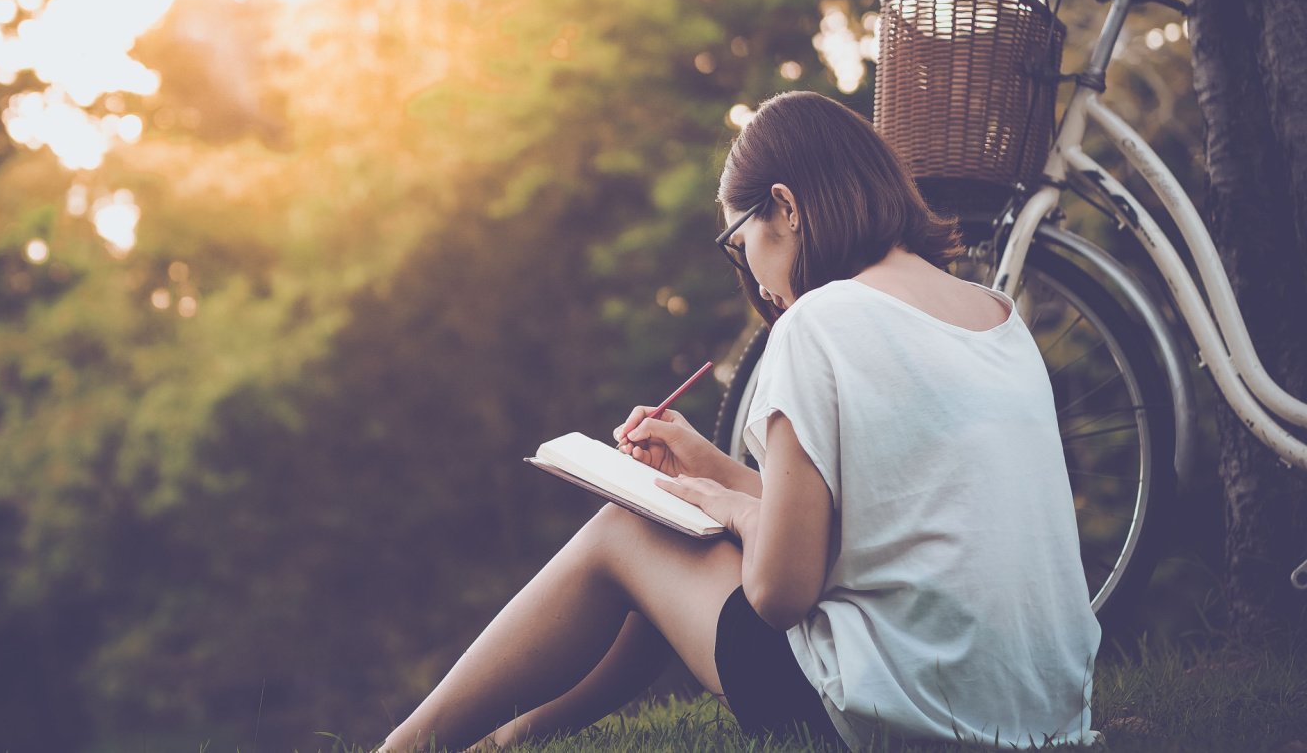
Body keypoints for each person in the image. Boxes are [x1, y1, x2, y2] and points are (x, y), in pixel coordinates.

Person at [379, 91, 1101, 751]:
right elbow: (886, 521)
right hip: (1040, 717)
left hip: (900, 715)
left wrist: (723, 505)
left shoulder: (821, 320)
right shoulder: (995, 316)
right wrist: (710, 469)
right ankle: (512, 742)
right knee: (666, 517)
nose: (753, 277)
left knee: (626, 529)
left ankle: (413, 745)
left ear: (785, 207)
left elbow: (781, 592)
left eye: (739, 243)